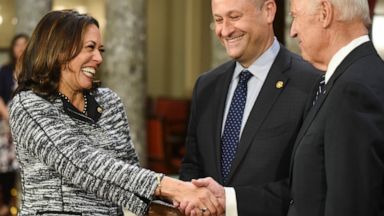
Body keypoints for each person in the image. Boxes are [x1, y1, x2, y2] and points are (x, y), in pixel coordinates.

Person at [9, 9, 223, 216]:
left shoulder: (108, 101)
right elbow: (80, 162)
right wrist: (173, 188)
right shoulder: (28, 104)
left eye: (100, 50)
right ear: (59, 50)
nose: (99, 58)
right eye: (90, 47)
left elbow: (126, 175)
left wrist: (173, 207)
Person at [179, 0, 321, 215]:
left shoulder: (310, 83)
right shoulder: (206, 86)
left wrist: (229, 201)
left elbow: (310, 184)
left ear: (268, 11)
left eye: (234, 17)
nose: (224, 30)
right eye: (218, 19)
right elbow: (192, 166)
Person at [286, 0, 384, 215]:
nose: (292, 31)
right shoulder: (349, 79)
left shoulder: (353, 90)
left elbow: (351, 206)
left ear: (325, 13)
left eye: (295, 16)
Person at [0, 33, 29, 215]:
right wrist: (7, 116)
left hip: (27, 126)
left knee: (24, 166)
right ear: (12, 48)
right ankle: (4, 205)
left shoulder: (34, 71)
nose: (21, 48)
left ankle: (21, 205)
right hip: (5, 125)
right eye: (17, 44)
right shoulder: (4, 70)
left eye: (25, 44)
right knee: (5, 166)